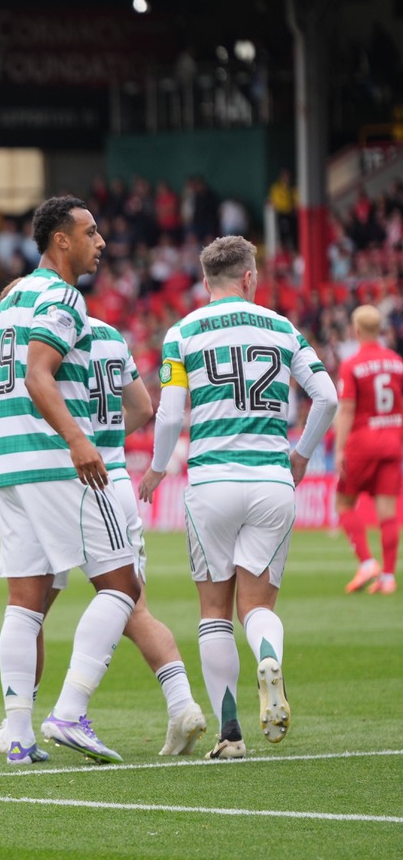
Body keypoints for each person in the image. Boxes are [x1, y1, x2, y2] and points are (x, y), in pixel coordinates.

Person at [0, 314, 206, 758]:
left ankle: (42, 717)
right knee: (127, 606)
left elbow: (17, 390)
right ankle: (180, 705)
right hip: (108, 472)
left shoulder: (45, 329)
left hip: (68, 475)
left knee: (36, 602)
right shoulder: (112, 336)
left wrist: (73, 440)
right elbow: (142, 407)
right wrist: (103, 437)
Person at [139, 235, 338, 760]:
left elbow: (171, 413)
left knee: (213, 611)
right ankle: (268, 655)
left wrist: (158, 469)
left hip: (211, 483)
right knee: (257, 607)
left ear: (207, 281)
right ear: (250, 278)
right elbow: (327, 397)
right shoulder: (283, 328)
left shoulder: (182, 333)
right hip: (272, 481)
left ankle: (230, 734)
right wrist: (300, 456)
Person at [0, 195, 140, 765]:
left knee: (25, 602)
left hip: (13, 468)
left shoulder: (11, 297)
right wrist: (75, 439)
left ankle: (19, 734)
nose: (101, 243)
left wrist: (7, 455)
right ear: (60, 240)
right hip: (57, 464)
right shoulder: (64, 297)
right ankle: (69, 712)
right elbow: (40, 374)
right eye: (91, 233)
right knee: (122, 584)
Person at [337, 305, 403, 596]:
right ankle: (388, 577)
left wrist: (339, 448)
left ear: (357, 330)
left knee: (343, 503)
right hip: (392, 442)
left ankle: (366, 562)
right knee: (388, 511)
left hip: (362, 445)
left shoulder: (352, 364)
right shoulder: (397, 362)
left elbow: (347, 408)